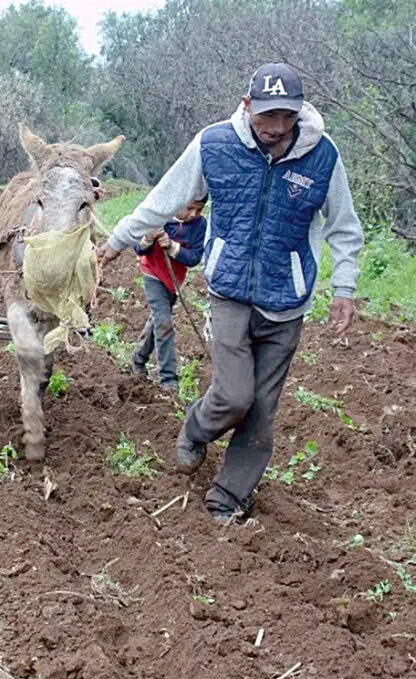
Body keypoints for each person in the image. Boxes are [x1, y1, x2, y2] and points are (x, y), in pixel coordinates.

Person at [98, 62, 363, 523]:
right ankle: (196, 427)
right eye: (267, 116)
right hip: (230, 292)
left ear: (300, 112)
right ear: (246, 106)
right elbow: (163, 199)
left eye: (287, 116)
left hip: (287, 300)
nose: (277, 127)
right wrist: (118, 240)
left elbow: (344, 226)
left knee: (261, 412)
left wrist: (345, 286)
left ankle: (228, 496)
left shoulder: (323, 156)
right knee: (235, 395)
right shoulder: (215, 144)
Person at [129, 196, 208, 392]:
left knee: (157, 321)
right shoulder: (159, 216)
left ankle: (138, 359)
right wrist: (149, 238)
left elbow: (194, 257)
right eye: (189, 208)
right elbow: (139, 248)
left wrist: (173, 247)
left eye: (199, 210)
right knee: (164, 323)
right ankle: (168, 379)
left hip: (174, 281)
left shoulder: (200, 225)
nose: (193, 214)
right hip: (153, 274)